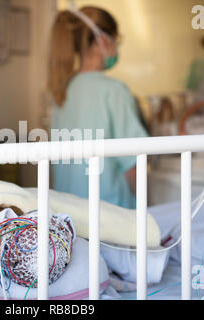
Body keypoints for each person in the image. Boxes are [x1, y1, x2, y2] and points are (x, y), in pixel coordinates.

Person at [48, 6, 148, 209]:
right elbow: (133, 165)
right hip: (110, 216)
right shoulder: (114, 91)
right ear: (102, 40)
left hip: (70, 216)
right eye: (116, 40)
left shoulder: (61, 91)